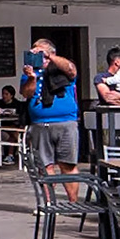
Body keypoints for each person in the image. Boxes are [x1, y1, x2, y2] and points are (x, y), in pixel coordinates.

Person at [21, 36, 81, 200]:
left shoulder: (61, 68)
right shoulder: (30, 71)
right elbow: (26, 93)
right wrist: (32, 78)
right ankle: (49, 204)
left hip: (66, 123)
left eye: (40, 53)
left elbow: (71, 70)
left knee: (67, 165)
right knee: (44, 166)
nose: (38, 56)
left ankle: (73, 202)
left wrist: (50, 57)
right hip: (40, 124)